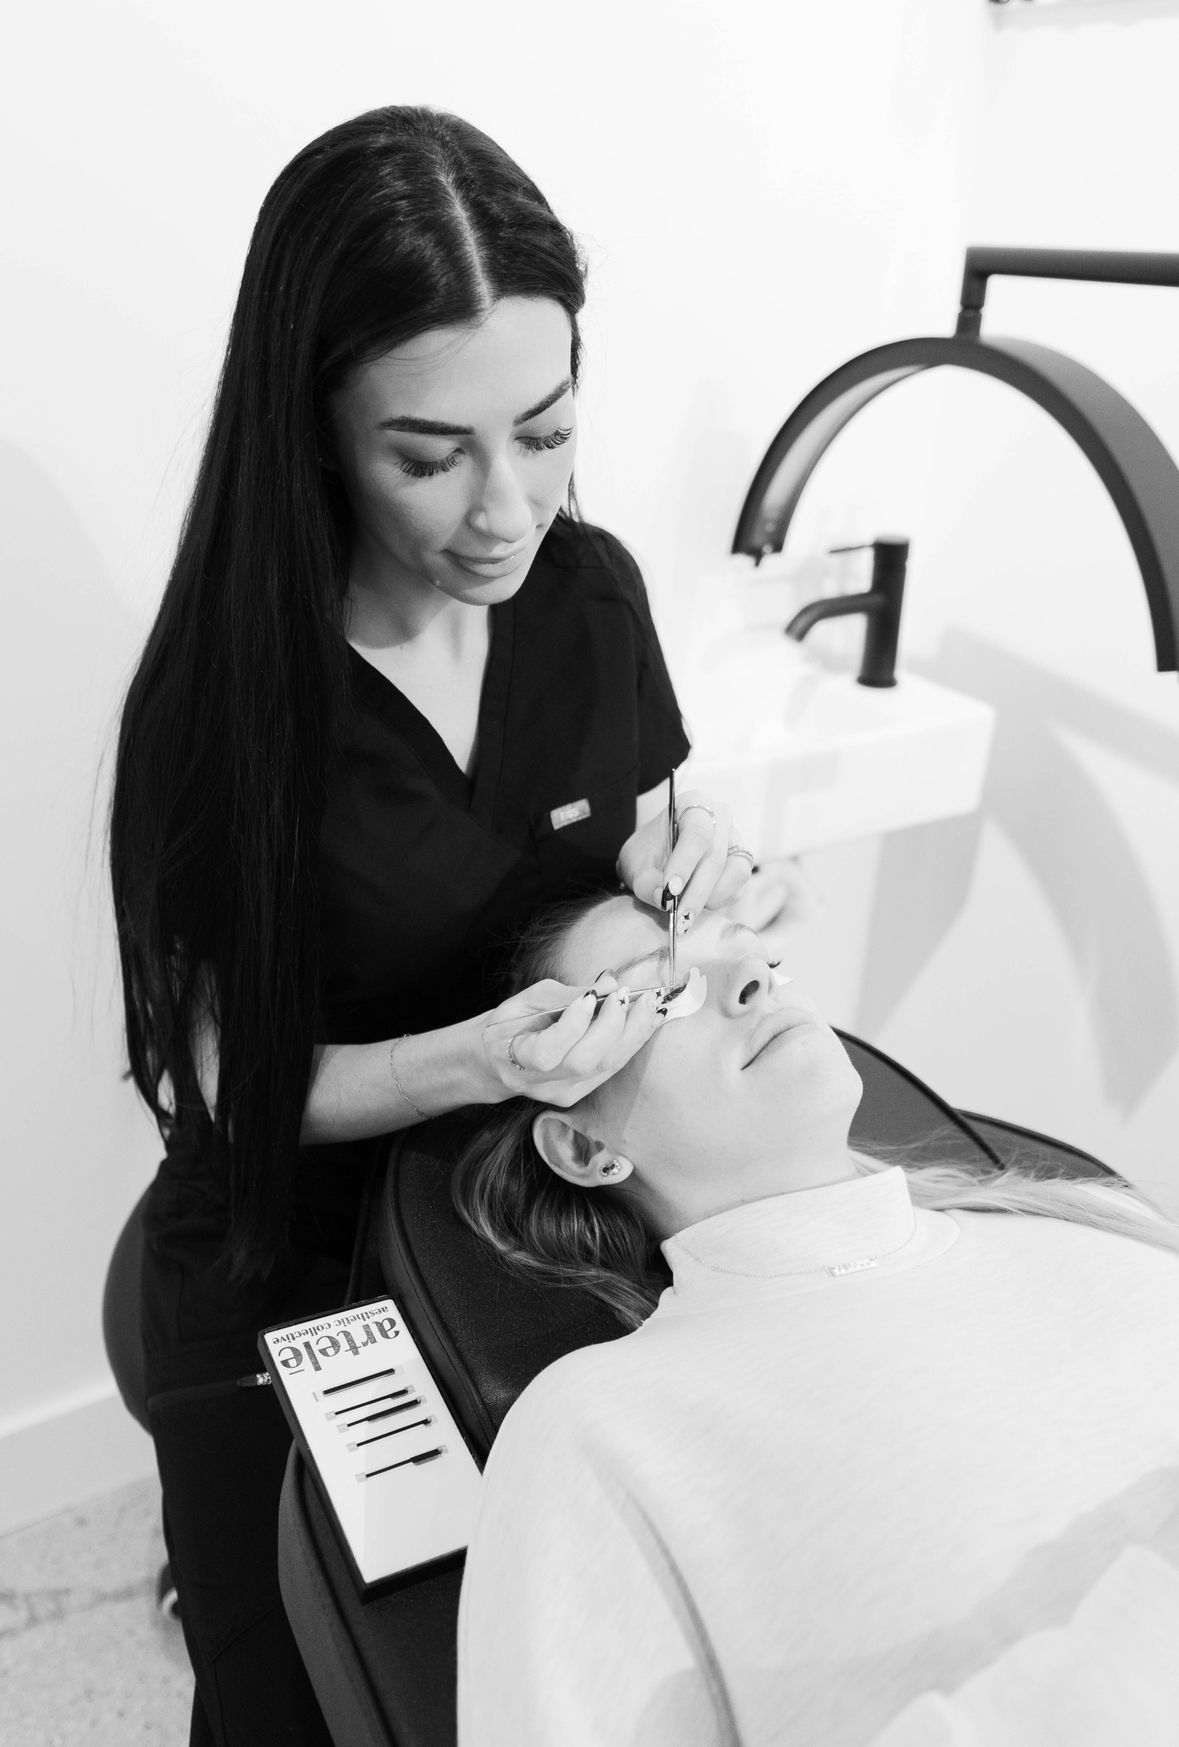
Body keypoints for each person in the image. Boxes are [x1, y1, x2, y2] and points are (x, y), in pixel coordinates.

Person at [108, 105, 753, 1746]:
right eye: (428, 452)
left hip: (514, 1239)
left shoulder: (584, 592)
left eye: (541, 429)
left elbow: (647, 838)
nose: (504, 507)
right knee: (310, 1700)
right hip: (291, 1269)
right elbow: (220, 1085)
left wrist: (701, 888)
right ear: (313, 425)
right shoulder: (227, 705)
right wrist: (464, 1059)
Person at [454, 892, 1179, 1746]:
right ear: (584, 1147)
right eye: (663, 993)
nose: (753, 976)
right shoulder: (599, 1423)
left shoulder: (1088, 1222)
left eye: (751, 947)